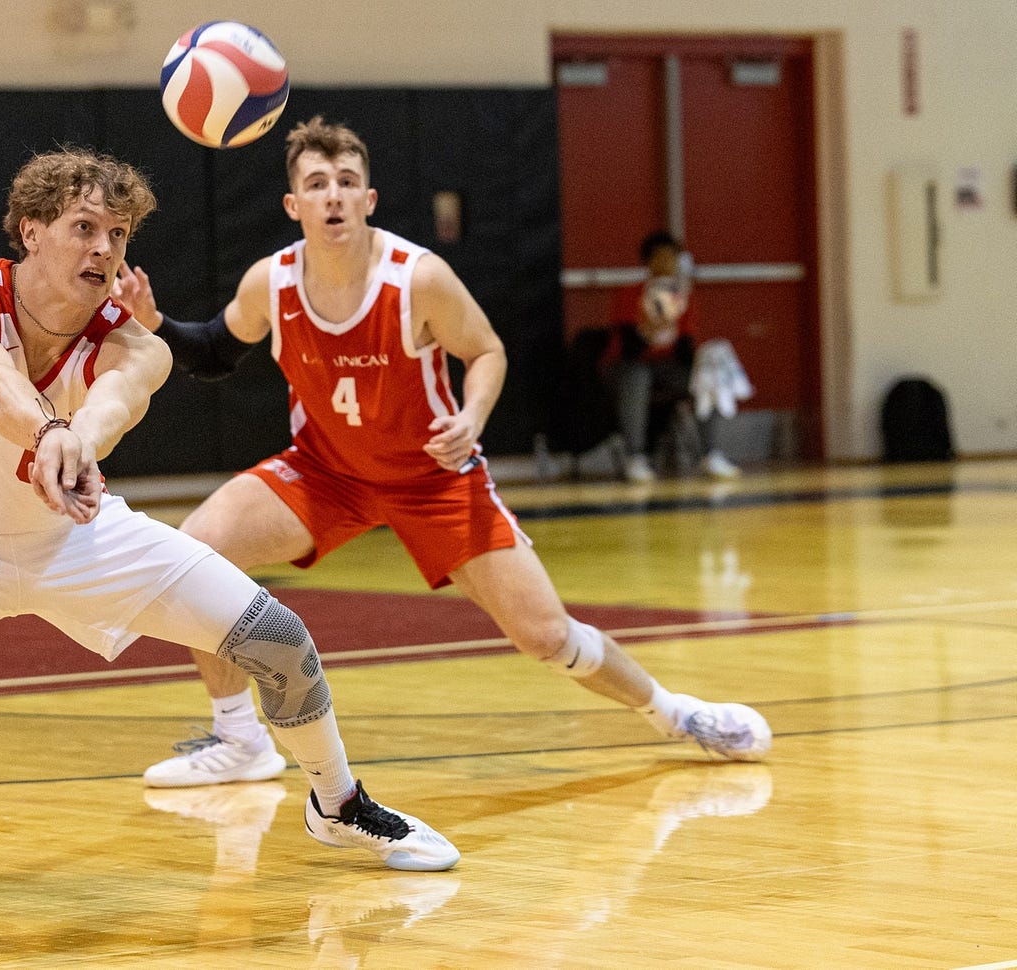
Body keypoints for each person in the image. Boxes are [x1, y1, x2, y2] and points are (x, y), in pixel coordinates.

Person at [0, 147, 460, 914]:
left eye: (119, 235)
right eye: (85, 228)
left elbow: (115, 402)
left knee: (277, 639)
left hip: (73, 538)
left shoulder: (135, 342)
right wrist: (49, 434)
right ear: (31, 231)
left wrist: (79, 441)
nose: (105, 249)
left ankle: (338, 802)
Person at [112, 117, 771, 791]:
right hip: (326, 470)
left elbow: (486, 350)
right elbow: (215, 351)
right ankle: (240, 739)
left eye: (347, 182)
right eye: (317, 184)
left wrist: (471, 415)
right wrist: (156, 322)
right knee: (197, 551)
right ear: (293, 204)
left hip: (433, 478)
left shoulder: (417, 278)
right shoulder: (271, 283)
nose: (333, 195)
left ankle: (675, 713)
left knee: (546, 636)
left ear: (369, 199)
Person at [607, 231, 741, 483]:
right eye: (661, 257)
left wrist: (706, 357)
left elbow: (685, 351)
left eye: (672, 258)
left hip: (669, 369)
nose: (667, 263)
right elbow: (629, 350)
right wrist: (653, 326)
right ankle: (636, 457)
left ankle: (711, 454)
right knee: (637, 376)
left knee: (707, 376)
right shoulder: (630, 294)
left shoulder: (681, 298)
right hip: (631, 368)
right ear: (648, 262)